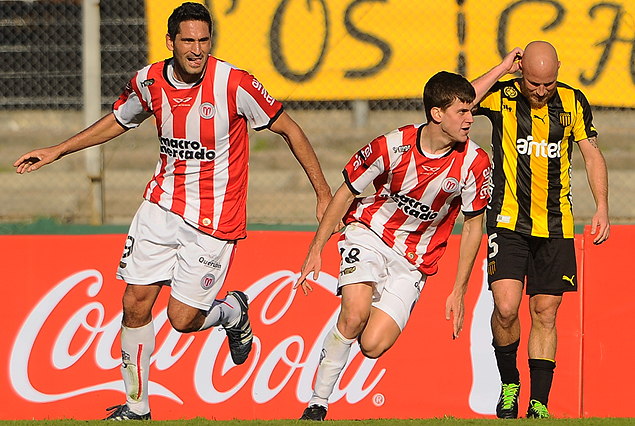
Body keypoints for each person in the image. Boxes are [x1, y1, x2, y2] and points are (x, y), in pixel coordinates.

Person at [14, 2, 332, 421]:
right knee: (134, 303)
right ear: (171, 42)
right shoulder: (148, 81)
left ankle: (233, 312)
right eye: (188, 40)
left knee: (182, 319)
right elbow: (117, 120)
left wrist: (323, 193)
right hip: (161, 207)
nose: (197, 49)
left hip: (214, 220)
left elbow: (289, 128)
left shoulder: (233, 83)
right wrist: (58, 150)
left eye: (204, 40)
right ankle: (137, 408)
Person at [294, 71, 491, 421]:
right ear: (436, 114)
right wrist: (316, 249)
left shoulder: (474, 162)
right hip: (370, 233)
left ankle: (339, 342)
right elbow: (346, 192)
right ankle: (317, 402)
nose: (470, 119)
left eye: (469, 111)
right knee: (354, 315)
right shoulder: (393, 145)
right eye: (462, 112)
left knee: (372, 345)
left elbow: (474, 226)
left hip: (414, 259)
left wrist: (459, 289)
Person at [471, 41, 610, 419]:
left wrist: (601, 205)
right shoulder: (505, 95)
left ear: (558, 73)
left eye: (548, 84)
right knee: (505, 308)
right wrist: (502, 69)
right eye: (533, 83)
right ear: (522, 73)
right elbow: (462, 101)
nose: (540, 91)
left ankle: (539, 404)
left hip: (555, 223)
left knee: (545, 312)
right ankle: (508, 383)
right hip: (508, 220)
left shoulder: (573, 102)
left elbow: (592, 153)